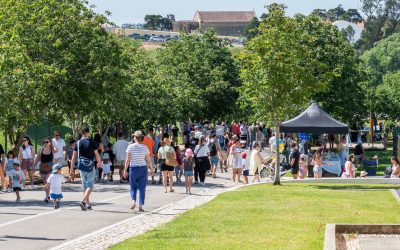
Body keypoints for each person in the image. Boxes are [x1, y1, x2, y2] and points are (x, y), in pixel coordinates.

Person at [71, 126, 103, 211]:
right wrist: (99, 163)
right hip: (90, 166)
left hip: (81, 166)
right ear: (88, 132)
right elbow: (96, 155)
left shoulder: (78, 143)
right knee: (90, 186)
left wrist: (71, 169)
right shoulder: (92, 142)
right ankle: (83, 201)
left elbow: (74, 156)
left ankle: (87, 204)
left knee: (85, 186)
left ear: (81, 133)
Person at [124, 131, 154, 212]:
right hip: (143, 169)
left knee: (133, 187)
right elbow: (149, 160)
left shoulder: (130, 147)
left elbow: (127, 160)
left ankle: (133, 201)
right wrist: (152, 169)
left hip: (133, 169)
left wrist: (125, 170)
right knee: (142, 188)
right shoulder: (144, 147)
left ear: (135, 138)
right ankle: (140, 206)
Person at [34, 137, 58, 203]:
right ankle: (48, 195)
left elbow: (57, 150)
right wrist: (34, 167)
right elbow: (37, 159)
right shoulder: (41, 149)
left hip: (50, 167)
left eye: (47, 142)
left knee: (47, 181)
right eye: (44, 142)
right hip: (42, 167)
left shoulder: (52, 149)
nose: (45, 143)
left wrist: (52, 146)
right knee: (45, 182)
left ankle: (47, 196)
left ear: (50, 142)